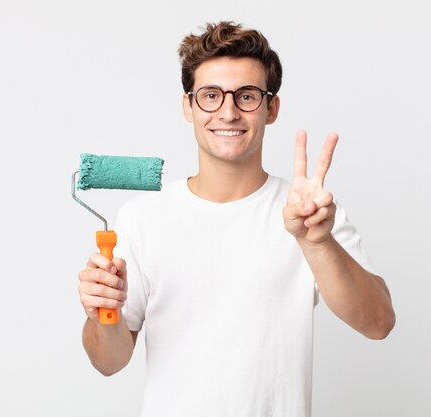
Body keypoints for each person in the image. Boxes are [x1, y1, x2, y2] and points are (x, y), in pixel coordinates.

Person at [77, 21, 395, 417]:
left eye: (246, 96)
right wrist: (102, 315)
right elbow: (109, 361)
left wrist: (317, 243)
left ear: (270, 107)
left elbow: (378, 322)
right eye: (210, 95)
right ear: (188, 106)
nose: (228, 113)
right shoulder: (142, 219)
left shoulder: (309, 214)